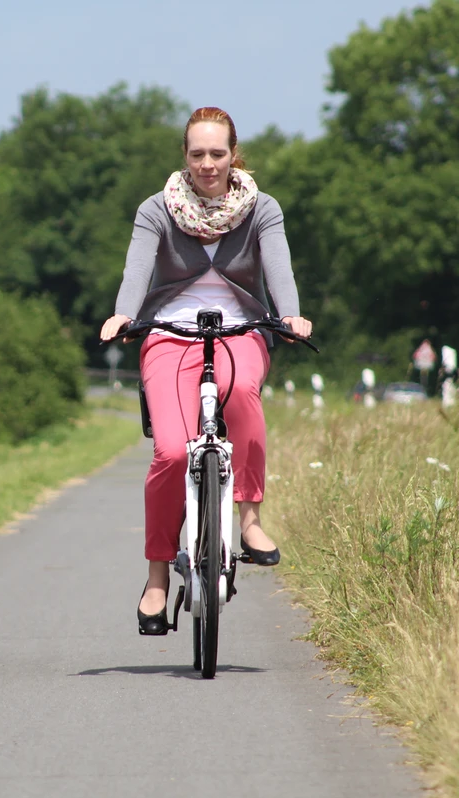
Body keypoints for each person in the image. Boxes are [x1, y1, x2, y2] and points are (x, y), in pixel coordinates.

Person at [98, 106, 313, 636]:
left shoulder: (262, 208)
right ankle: (156, 577)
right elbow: (137, 270)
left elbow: (279, 270)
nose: (208, 164)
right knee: (171, 450)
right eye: (198, 154)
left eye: (218, 153)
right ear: (185, 156)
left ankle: (250, 522)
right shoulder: (156, 209)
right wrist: (125, 314)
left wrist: (289, 314)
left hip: (241, 329)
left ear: (232, 154)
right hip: (170, 334)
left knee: (242, 396)